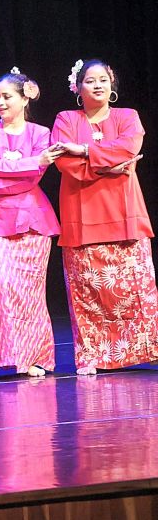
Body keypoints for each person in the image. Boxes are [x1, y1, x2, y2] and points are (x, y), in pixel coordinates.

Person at [52, 58, 158, 375]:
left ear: (111, 85)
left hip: (125, 214)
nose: (98, 85)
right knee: (88, 293)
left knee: (138, 290)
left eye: (103, 79)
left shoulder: (128, 116)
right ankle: (93, 356)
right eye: (90, 80)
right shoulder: (66, 119)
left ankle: (149, 349)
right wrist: (108, 165)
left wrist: (84, 152)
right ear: (78, 88)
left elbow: (129, 147)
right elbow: (63, 162)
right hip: (82, 216)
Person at [0, 69, 62, 377]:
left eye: (7, 97)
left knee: (30, 291)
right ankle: (4, 354)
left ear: (24, 99)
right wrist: (32, 162)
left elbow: (32, 180)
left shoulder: (41, 134)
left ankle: (32, 356)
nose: (0, 103)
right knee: (1, 284)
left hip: (32, 218)